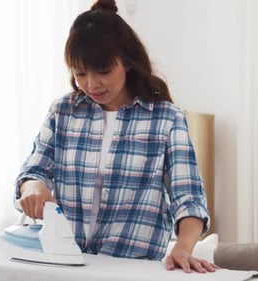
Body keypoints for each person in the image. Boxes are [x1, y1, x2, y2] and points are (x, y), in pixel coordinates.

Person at [15, 0, 217, 273]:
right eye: (81, 73)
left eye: (104, 72)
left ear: (128, 62)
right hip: (65, 268)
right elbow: (35, 169)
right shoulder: (63, 111)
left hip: (132, 270)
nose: (91, 84)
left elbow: (189, 198)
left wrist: (182, 247)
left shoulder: (167, 119)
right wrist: (33, 187)